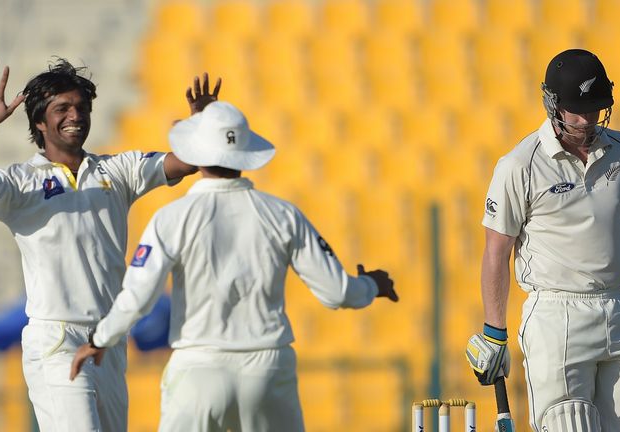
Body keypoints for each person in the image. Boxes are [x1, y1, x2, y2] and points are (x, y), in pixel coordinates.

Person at [70, 101, 399, 431]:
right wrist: (373, 284)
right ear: (246, 154)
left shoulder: (172, 218)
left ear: (196, 152)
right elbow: (337, 292)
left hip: (198, 370)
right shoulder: (282, 215)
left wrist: (101, 339)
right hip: (267, 367)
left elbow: (138, 296)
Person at [0, 58, 221, 431]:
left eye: (82, 107)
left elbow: (186, 163)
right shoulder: (20, 182)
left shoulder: (117, 170)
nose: (75, 115)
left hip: (108, 340)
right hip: (56, 340)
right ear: (40, 122)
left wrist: (203, 126)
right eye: (63, 108)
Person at [464, 49, 620, 431]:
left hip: (619, 308)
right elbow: (497, 250)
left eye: (595, 108)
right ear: (552, 104)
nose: (587, 120)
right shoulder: (520, 165)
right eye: (577, 110)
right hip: (557, 316)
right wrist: (494, 333)